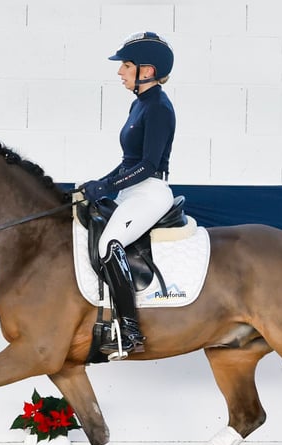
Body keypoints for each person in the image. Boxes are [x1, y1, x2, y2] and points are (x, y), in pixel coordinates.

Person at [81, 31, 176, 359]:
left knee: (110, 245)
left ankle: (130, 332)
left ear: (146, 71)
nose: (120, 72)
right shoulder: (139, 104)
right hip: (132, 190)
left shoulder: (159, 108)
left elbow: (148, 166)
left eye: (125, 66)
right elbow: (127, 163)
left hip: (150, 192)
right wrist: (97, 184)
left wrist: (106, 187)